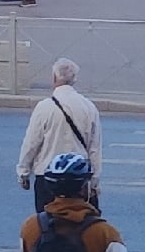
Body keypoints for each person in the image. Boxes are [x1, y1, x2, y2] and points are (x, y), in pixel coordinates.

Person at [16, 58, 101, 202]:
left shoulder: (44, 107)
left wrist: (23, 172)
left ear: (54, 78)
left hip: (48, 176)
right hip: (78, 178)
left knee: (47, 215)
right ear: (74, 79)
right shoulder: (89, 107)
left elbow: (31, 142)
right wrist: (94, 181)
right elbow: (94, 148)